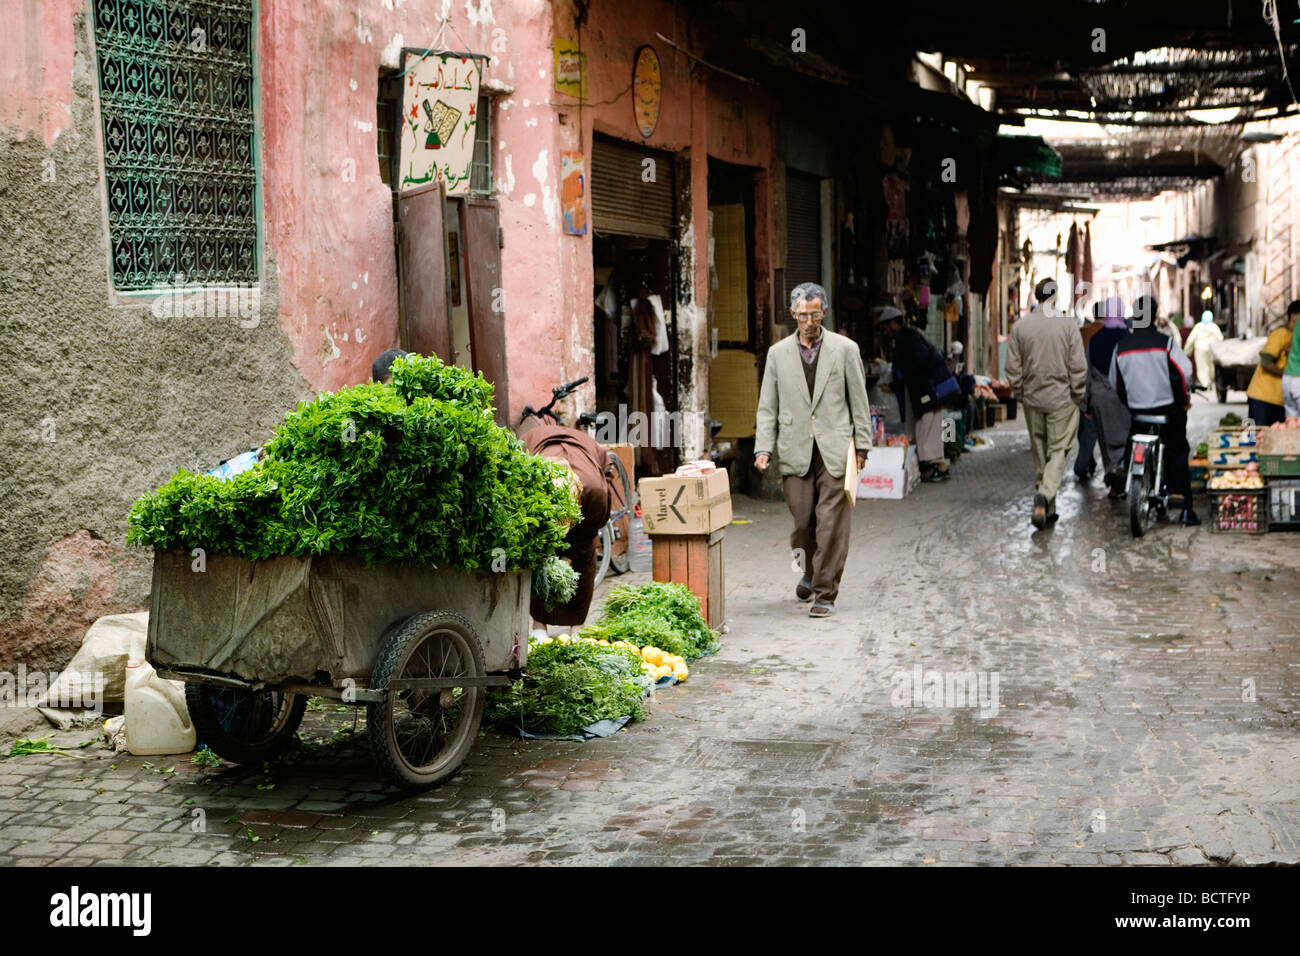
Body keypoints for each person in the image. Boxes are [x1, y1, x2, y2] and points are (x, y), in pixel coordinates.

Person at [754, 282, 873, 618]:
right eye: (803, 315)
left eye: (815, 314)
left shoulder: (845, 349)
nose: (809, 321)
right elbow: (767, 407)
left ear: (825, 312)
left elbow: (859, 402)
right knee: (802, 522)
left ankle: (825, 592)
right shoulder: (777, 354)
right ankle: (805, 570)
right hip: (795, 449)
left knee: (830, 523)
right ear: (793, 313)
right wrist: (764, 448)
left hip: (836, 448)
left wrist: (862, 445)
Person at [1110, 295, 1200, 525]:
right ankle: (1187, 508)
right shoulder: (1166, 343)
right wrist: (1182, 399)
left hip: (1137, 412)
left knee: (1133, 442)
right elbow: (1183, 374)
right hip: (1168, 412)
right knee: (1178, 451)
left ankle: (1125, 466)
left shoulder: (1121, 347)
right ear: (1155, 316)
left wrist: (1130, 401)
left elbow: (1116, 383)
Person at [1006, 278, 1088, 529]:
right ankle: (1044, 495)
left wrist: (1020, 392)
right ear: (1055, 297)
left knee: (1040, 450)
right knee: (1058, 450)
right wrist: (1077, 393)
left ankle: (1047, 509)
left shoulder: (1021, 326)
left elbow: (1012, 366)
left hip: (1032, 398)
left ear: (1037, 296)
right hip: (1061, 399)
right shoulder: (1067, 324)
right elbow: (1077, 365)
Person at [517, 419, 611, 627]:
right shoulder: (529, 486)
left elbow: (593, 527)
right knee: (538, 556)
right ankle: (538, 624)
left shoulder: (595, 494)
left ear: (578, 502)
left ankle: (575, 625)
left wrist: (570, 556)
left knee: (585, 555)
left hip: (584, 448)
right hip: (539, 440)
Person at [880, 307, 953, 481]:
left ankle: (940, 467)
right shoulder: (904, 337)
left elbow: (917, 363)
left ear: (892, 323)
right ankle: (930, 466)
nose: (885, 332)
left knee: (929, 427)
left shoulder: (908, 337)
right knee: (923, 427)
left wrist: (898, 381)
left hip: (927, 390)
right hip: (922, 389)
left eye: (885, 327)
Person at [1085, 295, 1132, 495]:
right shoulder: (1129, 338)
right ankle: (1124, 475)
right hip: (1124, 398)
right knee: (1125, 439)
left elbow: (1087, 373)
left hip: (1099, 398)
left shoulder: (1094, 339)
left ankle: (1113, 480)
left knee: (1106, 443)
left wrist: (1085, 405)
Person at [1246, 300, 1298, 427]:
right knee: (1256, 438)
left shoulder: (1296, 337)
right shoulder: (1280, 334)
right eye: (1295, 321)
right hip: (1262, 398)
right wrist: (1289, 373)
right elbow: (1266, 363)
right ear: (1291, 318)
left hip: (1280, 400)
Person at [1072, 300, 1108, 481]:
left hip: (1079, 386)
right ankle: (1081, 465)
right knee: (1093, 431)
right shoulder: (1107, 333)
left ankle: (1088, 462)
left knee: (1085, 430)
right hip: (1100, 387)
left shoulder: (1082, 332)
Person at [1182, 310, 1223, 390]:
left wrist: (1186, 351)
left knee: (1202, 367)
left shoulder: (1198, 326)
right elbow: (1220, 338)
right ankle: (1211, 382)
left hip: (1200, 349)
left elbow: (1191, 339)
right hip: (1212, 349)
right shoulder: (1214, 327)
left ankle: (1205, 384)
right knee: (1211, 366)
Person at [1283, 304, 1300, 420]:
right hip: (1298, 380)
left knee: (1292, 424)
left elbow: (1288, 349)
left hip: (1288, 378)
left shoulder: (1298, 324)